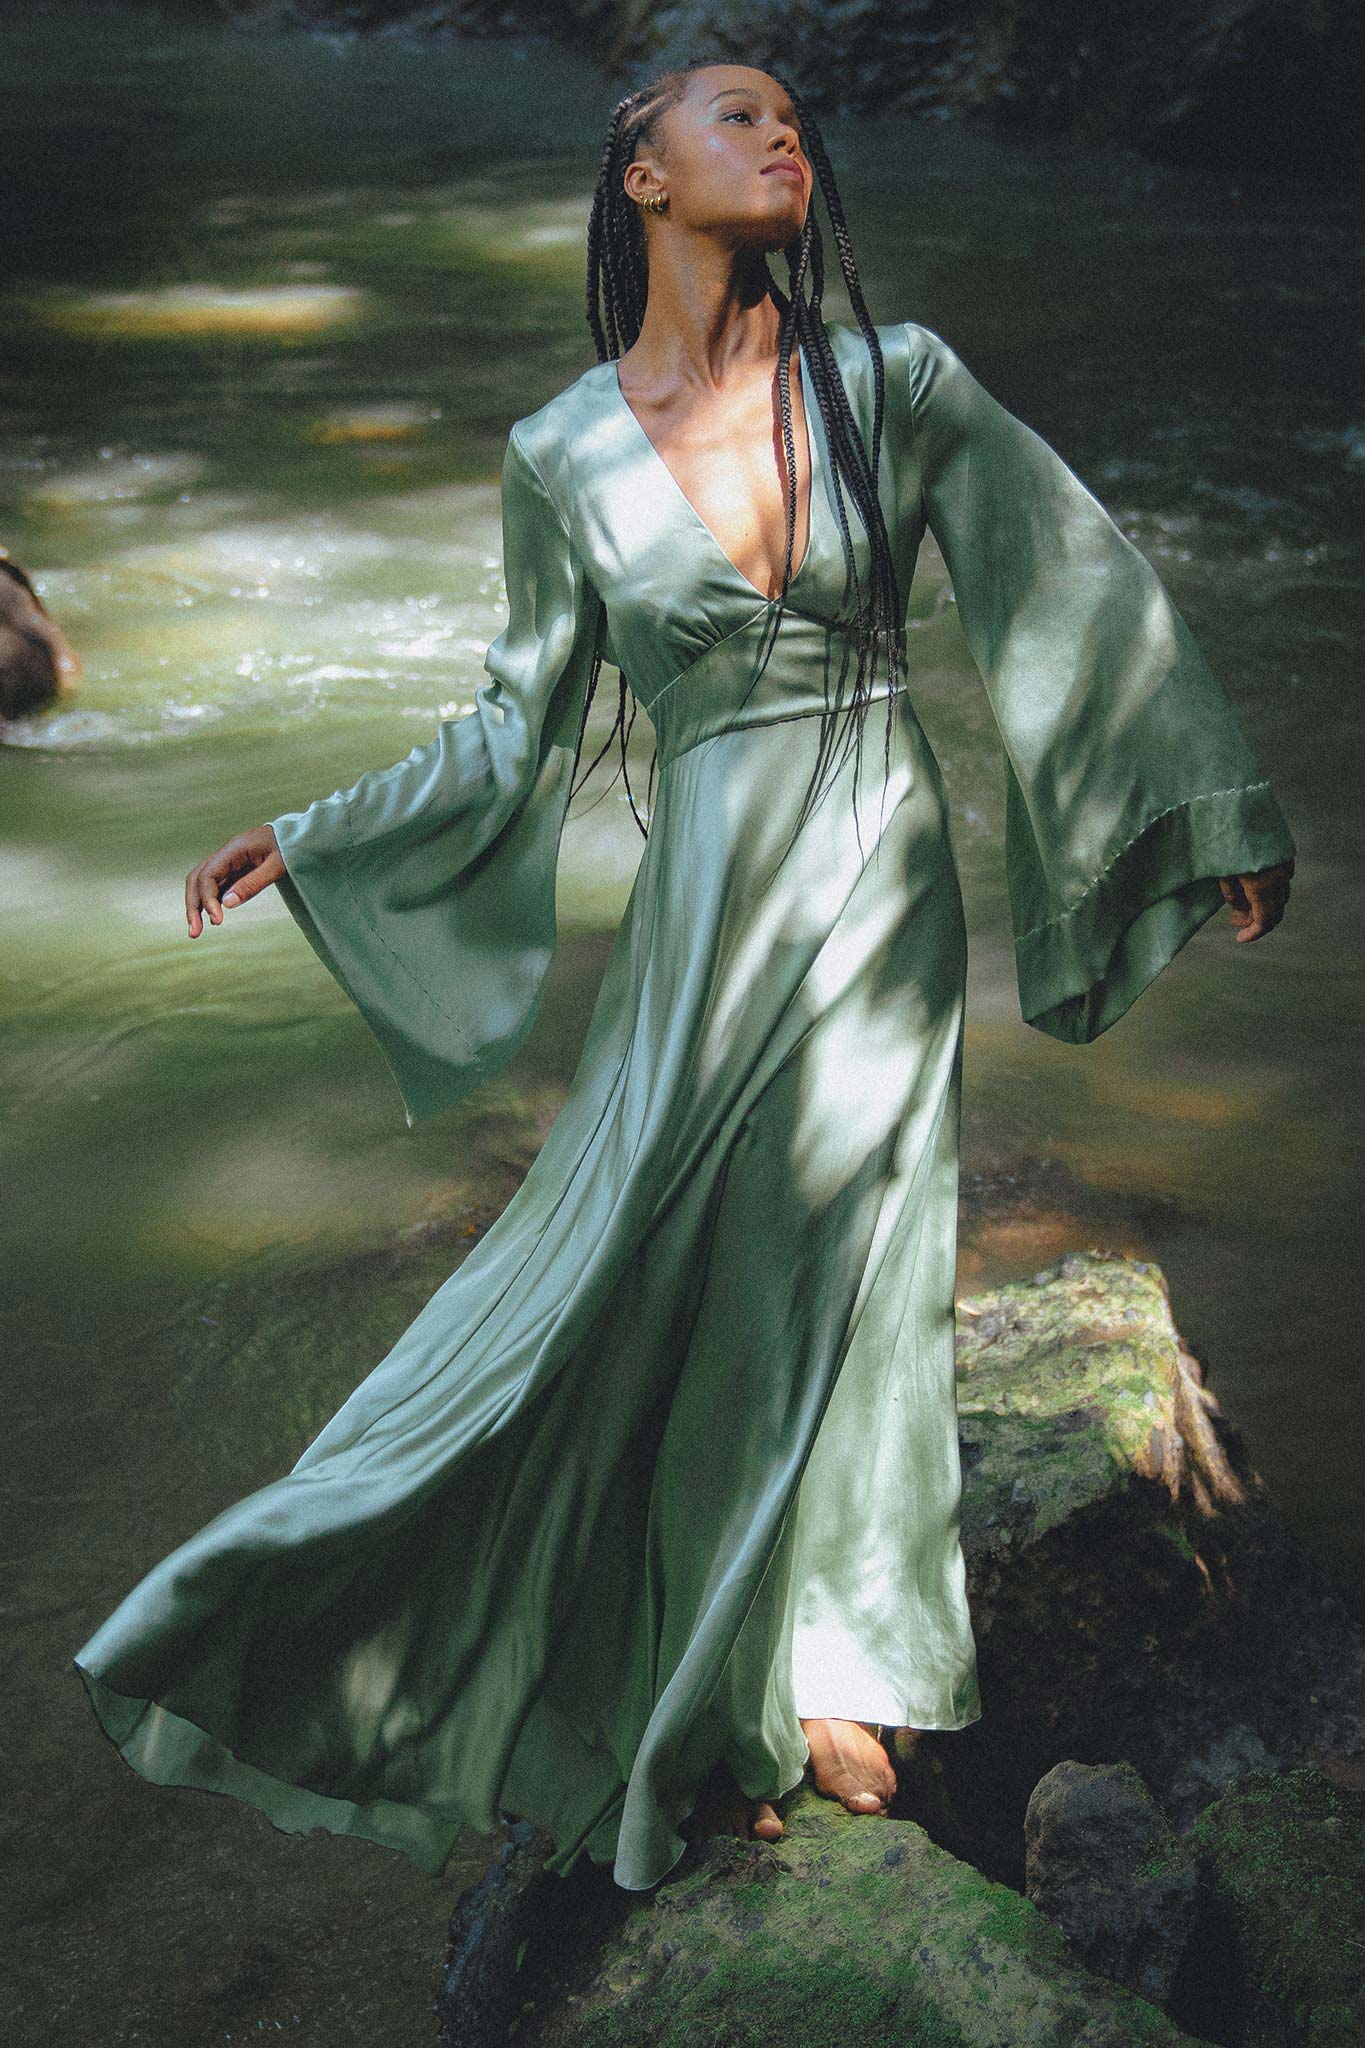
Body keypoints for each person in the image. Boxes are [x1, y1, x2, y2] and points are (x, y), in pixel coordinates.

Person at [72, 62, 1294, 1893]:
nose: (782, 133)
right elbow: (517, 727)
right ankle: (430, 1611)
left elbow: (1074, 591)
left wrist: (1201, 807)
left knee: (845, 1255)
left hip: (873, 868)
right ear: (640, 175)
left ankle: (809, 1672)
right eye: (736, 114)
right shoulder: (561, 452)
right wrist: (320, 836)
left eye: (795, 116)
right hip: (701, 915)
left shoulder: (898, 385)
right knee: (630, 1263)